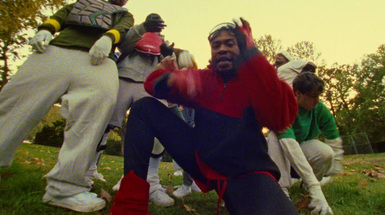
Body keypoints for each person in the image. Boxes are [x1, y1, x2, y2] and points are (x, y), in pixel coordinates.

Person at [108, 18, 299, 215]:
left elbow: (280, 118)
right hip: (201, 161)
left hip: (246, 172)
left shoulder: (256, 81)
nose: (222, 49)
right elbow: (152, 85)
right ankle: (129, 207)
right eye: (216, 45)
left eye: (230, 43)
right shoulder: (202, 80)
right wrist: (169, 73)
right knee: (143, 108)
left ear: (244, 48)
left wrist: (253, 55)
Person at [0, 0, 134, 213]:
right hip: (56, 51)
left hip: (99, 59)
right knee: (14, 103)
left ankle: (65, 188)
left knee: (96, 111)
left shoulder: (125, 15)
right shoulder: (81, 3)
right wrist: (46, 29)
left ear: (127, 0)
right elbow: (60, 16)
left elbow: (121, 29)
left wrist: (107, 39)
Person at [87, 13, 197, 207]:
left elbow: (170, 66)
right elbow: (124, 45)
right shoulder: (137, 33)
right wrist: (142, 27)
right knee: (104, 125)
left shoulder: (165, 43)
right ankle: (86, 174)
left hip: (150, 85)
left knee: (155, 136)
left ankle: (151, 183)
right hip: (123, 78)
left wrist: (167, 53)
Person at [267, 72, 344, 215]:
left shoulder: (319, 108)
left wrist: (335, 166)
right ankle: (282, 189)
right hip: (279, 154)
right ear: (298, 93)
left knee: (326, 152)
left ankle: (306, 185)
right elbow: (289, 145)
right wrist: (315, 186)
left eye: (318, 96)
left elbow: (333, 136)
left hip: (300, 146)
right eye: (313, 96)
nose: (317, 101)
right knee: (274, 137)